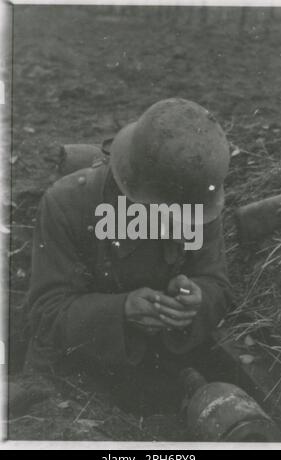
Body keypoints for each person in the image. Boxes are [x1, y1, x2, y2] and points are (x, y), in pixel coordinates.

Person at [24, 98, 232, 377]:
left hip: (167, 364)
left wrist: (196, 299)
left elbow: (217, 283)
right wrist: (120, 311)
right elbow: (44, 315)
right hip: (78, 372)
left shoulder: (195, 193)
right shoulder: (67, 204)